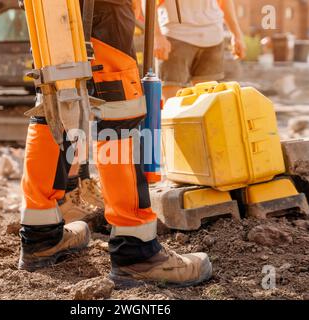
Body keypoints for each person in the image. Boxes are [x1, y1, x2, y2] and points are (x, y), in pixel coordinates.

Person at [18, 0, 212, 287]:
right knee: (118, 100)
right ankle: (137, 251)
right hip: (99, 8)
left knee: (55, 93)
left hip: (46, 7)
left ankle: (39, 235)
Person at [154, 0, 246, 100]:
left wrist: (237, 34)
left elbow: (225, 2)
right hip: (175, 36)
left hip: (212, 37)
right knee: (172, 104)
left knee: (207, 105)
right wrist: (157, 35)